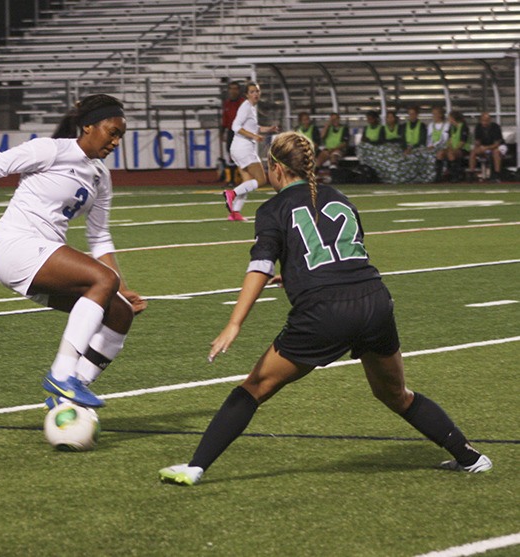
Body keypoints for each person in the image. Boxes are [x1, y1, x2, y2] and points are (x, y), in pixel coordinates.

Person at [159, 131, 492, 486]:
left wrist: (234, 323)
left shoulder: (272, 208)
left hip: (325, 312)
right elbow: (344, 252)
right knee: (395, 394)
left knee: (253, 388)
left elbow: (261, 265)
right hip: (374, 301)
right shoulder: (340, 197)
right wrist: (298, 276)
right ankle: (470, 457)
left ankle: (195, 467)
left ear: (275, 168)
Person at [0, 93, 147, 409]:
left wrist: (122, 288)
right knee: (103, 280)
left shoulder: (101, 176)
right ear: (87, 127)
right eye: (112, 132)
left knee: (120, 312)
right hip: (16, 246)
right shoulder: (50, 150)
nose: (116, 141)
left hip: (42, 257)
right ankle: (62, 373)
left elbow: (99, 237)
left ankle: (69, 398)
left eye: (121, 136)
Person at [222, 82, 278, 222]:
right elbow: (235, 126)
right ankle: (232, 193)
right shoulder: (246, 107)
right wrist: (253, 136)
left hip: (238, 147)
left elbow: (254, 128)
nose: (256, 94)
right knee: (261, 180)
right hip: (244, 147)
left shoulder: (250, 108)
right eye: (252, 91)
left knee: (247, 182)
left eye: (257, 91)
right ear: (246, 94)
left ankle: (235, 212)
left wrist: (268, 129)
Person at [468, 112, 507, 182]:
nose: (485, 122)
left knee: (496, 152)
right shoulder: (478, 127)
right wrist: (478, 146)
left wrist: (486, 148)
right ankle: (471, 173)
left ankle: (497, 174)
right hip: (484, 146)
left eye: (487, 120)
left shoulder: (495, 127)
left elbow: (497, 144)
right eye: (483, 120)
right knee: (473, 151)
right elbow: (478, 141)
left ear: (490, 120)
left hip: (498, 146)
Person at [221, 81, 244, 187]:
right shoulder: (227, 104)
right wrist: (222, 132)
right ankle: (232, 179)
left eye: (235, 88)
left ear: (238, 90)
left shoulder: (243, 103)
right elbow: (225, 120)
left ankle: (244, 178)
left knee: (243, 155)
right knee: (231, 155)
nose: (233, 91)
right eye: (231, 88)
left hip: (241, 132)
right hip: (231, 132)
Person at [446, 110, 470, 183]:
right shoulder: (451, 128)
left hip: (463, 149)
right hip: (453, 149)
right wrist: (450, 148)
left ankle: (455, 176)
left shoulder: (463, 127)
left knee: (452, 154)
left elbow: (462, 142)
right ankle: (441, 175)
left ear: (453, 118)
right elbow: (449, 140)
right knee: (441, 153)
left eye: (449, 118)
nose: (448, 120)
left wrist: (454, 149)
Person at [427, 106, 450, 182]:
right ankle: (428, 176)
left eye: (435, 114)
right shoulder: (430, 125)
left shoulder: (446, 125)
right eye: (433, 114)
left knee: (438, 154)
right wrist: (429, 145)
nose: (433, 116)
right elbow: (429, 137)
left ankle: (439, 175)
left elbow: (444, 138)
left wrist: (434, 145)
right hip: (432, 147)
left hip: (442, 146)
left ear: (440, 115)